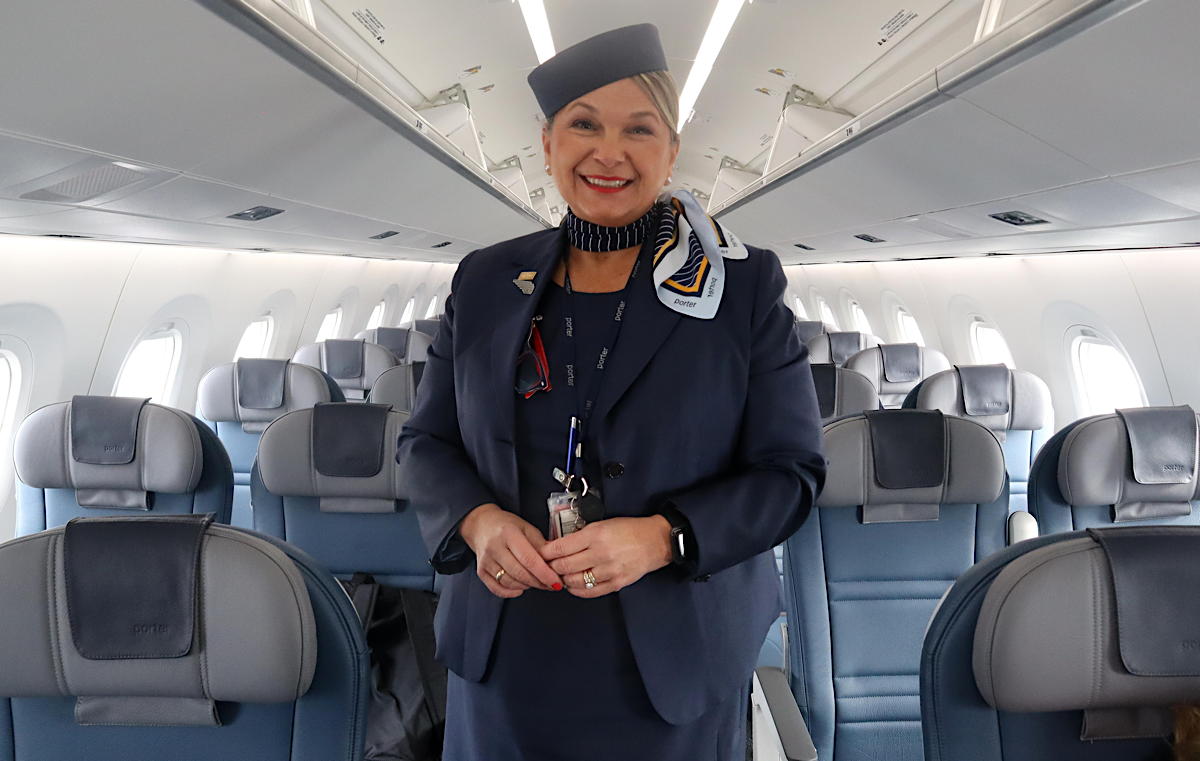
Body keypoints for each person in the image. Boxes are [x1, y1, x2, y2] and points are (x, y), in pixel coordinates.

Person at [397, 23, 825, 761]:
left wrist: (666, 536)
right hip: (505, 649)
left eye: (639, 129)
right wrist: (476, 521)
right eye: (584, 125)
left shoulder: (737, 286)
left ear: (672, 150)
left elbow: (792, 474)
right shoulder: (486, 280)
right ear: (547, 144)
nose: (609, 152)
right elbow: (425, 442)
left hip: (674, 658)